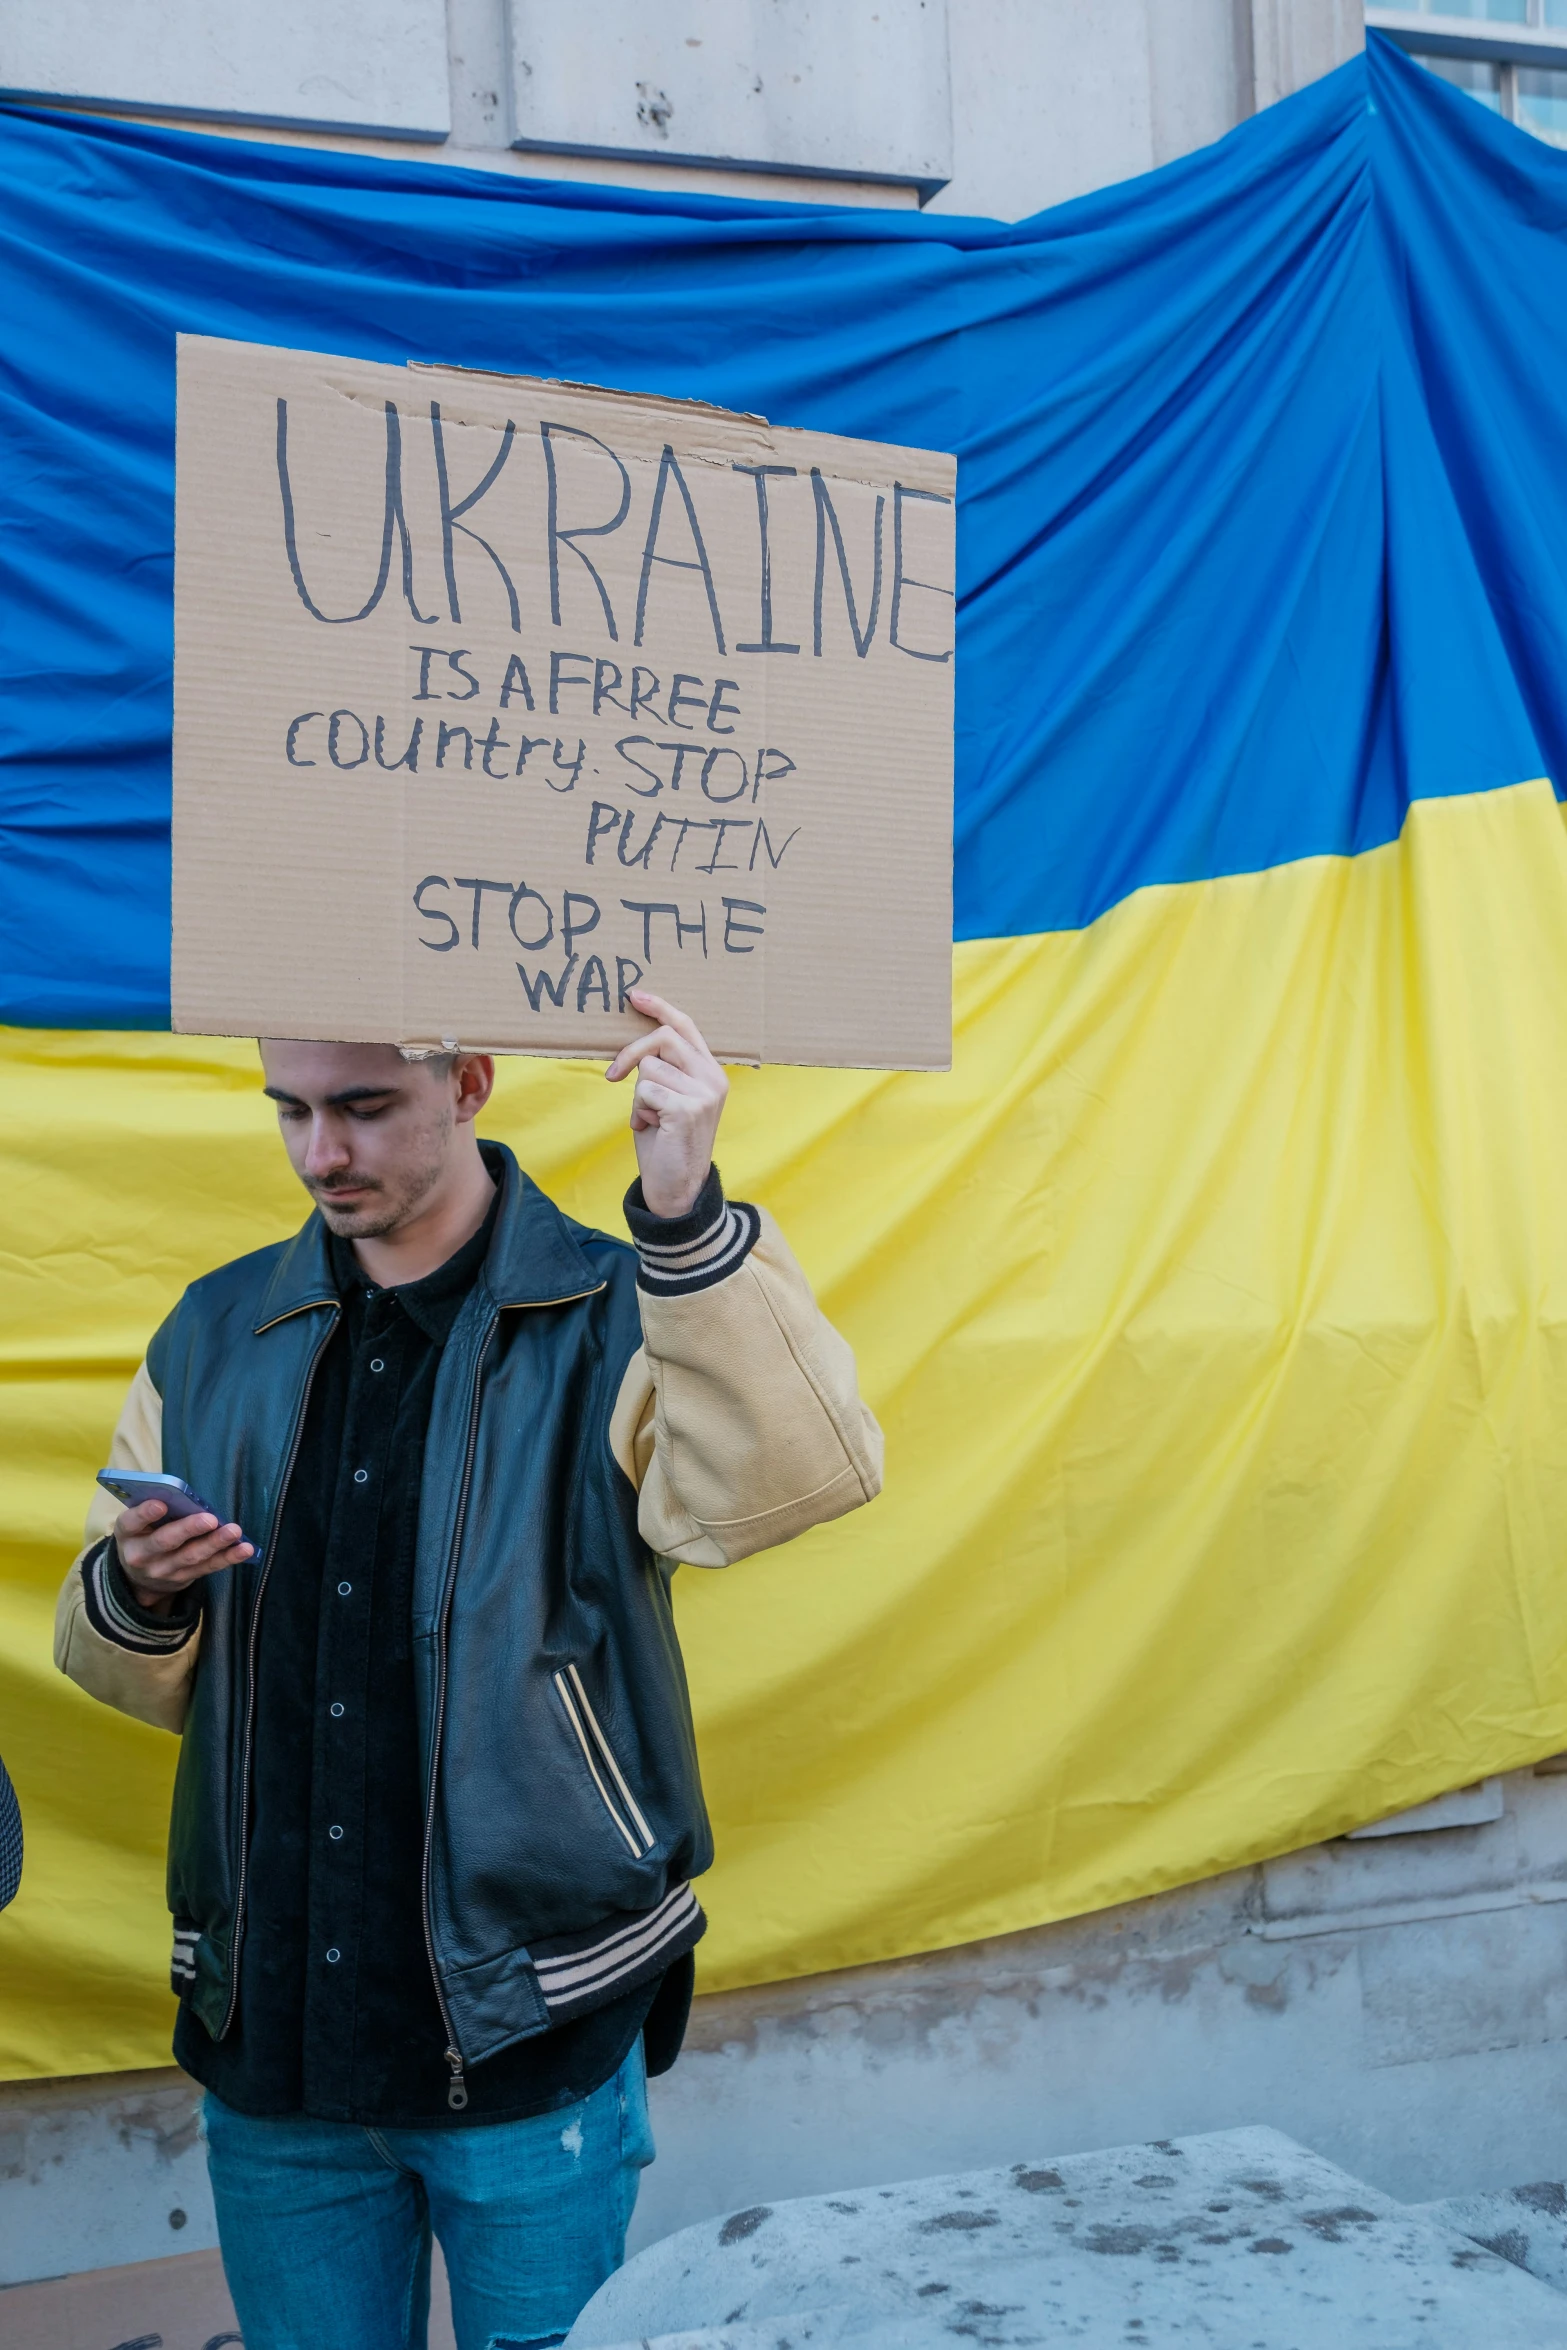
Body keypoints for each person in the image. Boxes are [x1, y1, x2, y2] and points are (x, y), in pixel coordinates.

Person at [55, 990, 881, 2350]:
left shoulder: (620, 1304)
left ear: (472, 1081)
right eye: (293, 1108)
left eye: (363, 1106)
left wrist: (681, 1220)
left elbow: (784, 1486)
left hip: (527, 2030)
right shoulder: (211, 1333)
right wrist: (140, 1585)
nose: (322, 1150)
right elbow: (126, 1667)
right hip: (274, 2047)